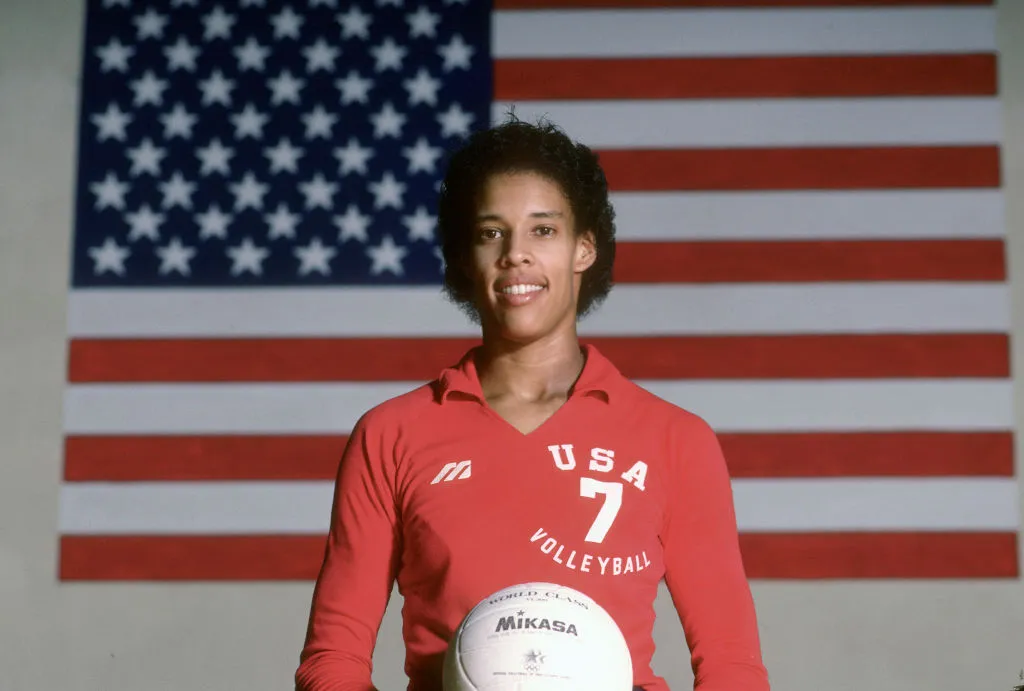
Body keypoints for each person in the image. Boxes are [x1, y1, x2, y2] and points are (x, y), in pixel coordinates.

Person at [294, 116, 771, 691]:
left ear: (583, 249)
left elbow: (731, 663)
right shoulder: (392, 434)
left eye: (543, 230)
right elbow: (333, 657)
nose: (515, 254)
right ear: (465, 257)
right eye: (491, 232)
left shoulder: (676, 439)